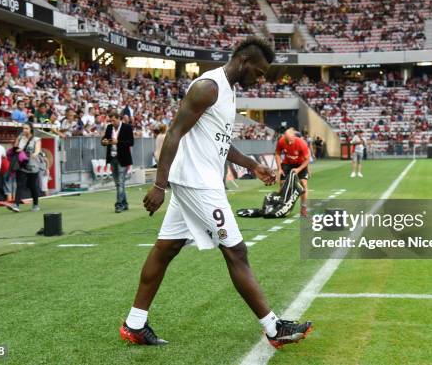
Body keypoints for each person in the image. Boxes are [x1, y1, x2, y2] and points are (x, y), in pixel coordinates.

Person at [121, 37, 312, 348]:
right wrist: (159, 184)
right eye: (260, 72)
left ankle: (135, 323)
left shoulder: (228, 91)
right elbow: (174, 133)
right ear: (244, 62)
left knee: (165, 249)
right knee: (236, 251)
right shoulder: (207, 86)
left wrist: (251, 164)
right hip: (197, 183)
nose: (261, 79)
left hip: (199, 180)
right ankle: (274, 328)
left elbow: (220, 143)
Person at [101, 111, 134, 213]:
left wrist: (118, 142)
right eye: (111, 120)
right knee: (118, 183)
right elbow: (104, 139)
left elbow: (131, 142)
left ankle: (119, 204)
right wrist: (104, 141)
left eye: (113, 120)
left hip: (123, 159)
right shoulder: (109, 127)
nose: (112, 122)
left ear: (119, 118)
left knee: (120, 182)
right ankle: (125, 204)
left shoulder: (127, 127)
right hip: (112, 158)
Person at [274, 127, 310, 217]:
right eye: (287, 140)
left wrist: (298, 170)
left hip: (301, 163)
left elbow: (307, 160)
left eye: (290, 140)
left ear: (294, 137)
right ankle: (281, 205)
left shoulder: (302, 143)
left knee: (303, 184)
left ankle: (303, 208)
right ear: (284, 137)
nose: (289, 143)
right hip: (287, 163)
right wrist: (279, 169)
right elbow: (277, 153)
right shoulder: (281, 141)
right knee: (282, 183)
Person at [7, 122, 42, 213]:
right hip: (21, 165)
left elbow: (37, 150)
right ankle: (16, 205)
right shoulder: (20, 138)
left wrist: (34, 154)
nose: (24, 130)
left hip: (33, 166)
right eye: (23, 128)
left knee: (32, 186)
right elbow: (15, 148)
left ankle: (35, 204)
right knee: (20, 185)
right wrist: (17, 148)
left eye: (26, 128)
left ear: (31, 129)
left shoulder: (36, 139)